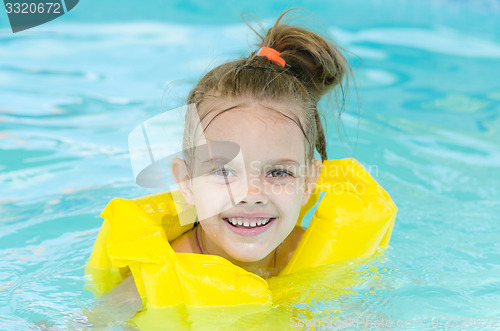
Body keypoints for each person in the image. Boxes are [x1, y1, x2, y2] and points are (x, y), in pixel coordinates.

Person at [84, 7, 356, 325]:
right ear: (185, 182)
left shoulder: (323, 259)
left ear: (309, 181)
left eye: (278, 172)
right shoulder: (153, 282)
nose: (250, 194)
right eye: (223, 171)